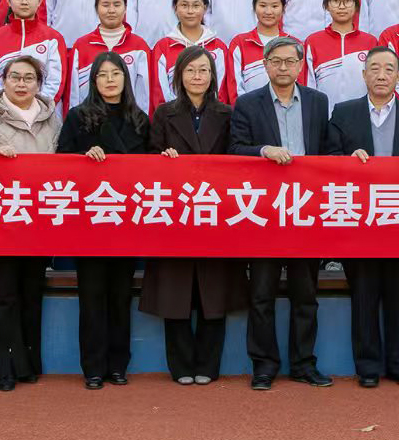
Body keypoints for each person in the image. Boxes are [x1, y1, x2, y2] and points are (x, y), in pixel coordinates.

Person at [228, 36, 333, 391]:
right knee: (261, 294)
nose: (283, 67)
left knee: (306, 294)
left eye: (290, 61)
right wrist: (263, 151)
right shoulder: (247, 104)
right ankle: (264, 365)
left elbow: (328, 151)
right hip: (263, 212)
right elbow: (234, 150)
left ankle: (304, 363)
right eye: (276, 61)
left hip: (305, 210)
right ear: (265, 64)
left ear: (301, 65)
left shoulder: (318, 102)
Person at [328, 45, 399, 387]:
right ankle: (368, 368)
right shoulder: (343, 113)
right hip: (358, 221)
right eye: (374, 68)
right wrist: (347, 161)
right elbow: (327, 158)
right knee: (364, 296)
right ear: (364, 75)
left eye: (389, 69)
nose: (382, 75)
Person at [144, 46, 248, 383]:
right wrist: (163, 158)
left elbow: (236, 158)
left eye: (203, 70)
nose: (197, 76)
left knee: (213, 293)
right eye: (190, 70)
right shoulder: (164, 113)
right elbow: (149, 157)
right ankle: (181, 366)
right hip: (175, 212)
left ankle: (207, 366)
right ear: (179, 76)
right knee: (175, 293)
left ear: (213, 75)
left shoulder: (228, 113)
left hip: (215, 212)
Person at [0, 55, 62, 392]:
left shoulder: (52, 120)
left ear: (39, 84)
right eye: (15, 77)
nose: (21, 84)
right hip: (1, 221)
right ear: (3, 81)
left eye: (29, 78)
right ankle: (4, 368)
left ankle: (28, 365)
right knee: (3, 296)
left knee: (31, 293)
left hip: (39, 221)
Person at [56, 52, 151, 388]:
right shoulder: (78, 117)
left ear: (126, 79)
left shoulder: (140, 119)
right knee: (92, 296)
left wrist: (166, 157)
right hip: (91, 219)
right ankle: (93, 367)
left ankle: (118, 365)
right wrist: (83, 159)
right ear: (93, 81)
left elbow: (152, 167)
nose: (110, 80)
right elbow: (61, 161)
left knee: (121, 296)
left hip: (126, 219)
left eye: (116, 73)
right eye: (103, 74)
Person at [66, 0, 153, 110]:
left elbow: (145, 94)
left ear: (125, 8)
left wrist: (139, 119)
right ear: (96, 8)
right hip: (89, 118)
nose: (111, 10)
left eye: (117, 5)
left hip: (128, 118)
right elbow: (73, 94)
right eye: (105, 5)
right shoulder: (82, 46)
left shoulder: (139, 46)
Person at [303, 0, 378, 107]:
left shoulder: (370, 42)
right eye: (335, 1)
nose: (342, 7)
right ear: (326, 5)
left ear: (356, 5)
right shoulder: (313, 42)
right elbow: (308, 85)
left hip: (362, 113)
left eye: (347, 1)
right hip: (324, 114)